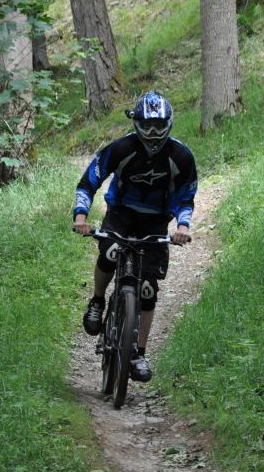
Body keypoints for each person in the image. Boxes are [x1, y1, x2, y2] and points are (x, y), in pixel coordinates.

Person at [73, 91, 197, 383]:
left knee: (148, 289)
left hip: (156, 220)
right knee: (109, 252)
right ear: (137, 123)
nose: (153, 133)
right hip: (121, 213)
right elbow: (88, 181)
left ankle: (139, 352)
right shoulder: (121, 148)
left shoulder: (180, 155)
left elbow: (186, 197)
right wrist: (81, 217)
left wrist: (183, 227)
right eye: (147, 125)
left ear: (169, 123)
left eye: (159, 126)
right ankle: (98, 300)